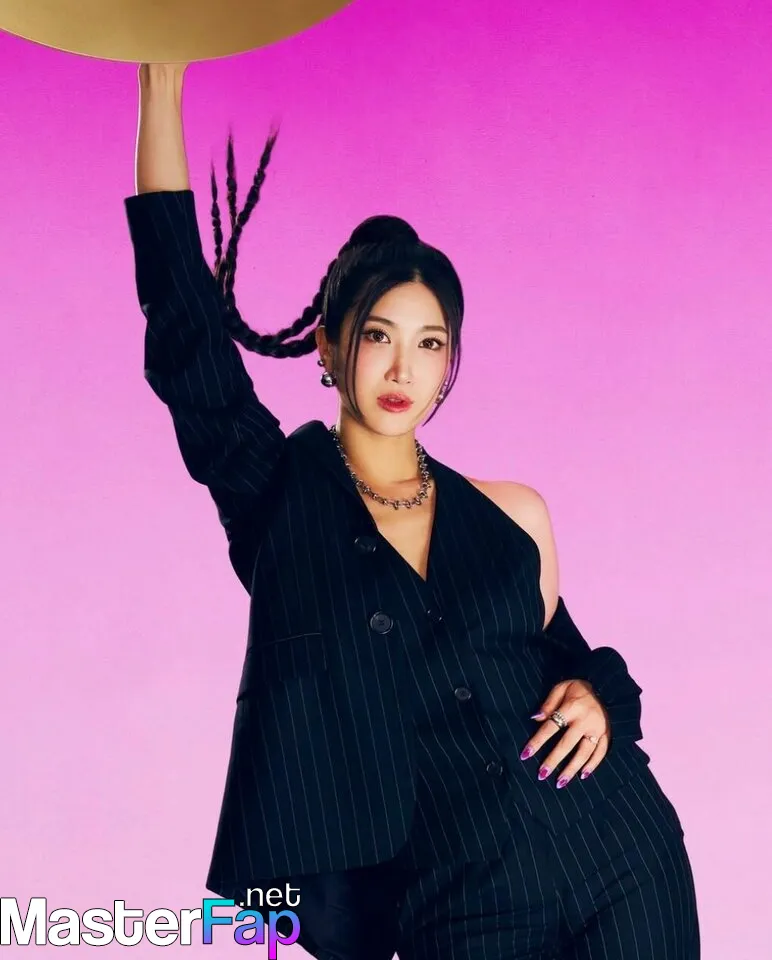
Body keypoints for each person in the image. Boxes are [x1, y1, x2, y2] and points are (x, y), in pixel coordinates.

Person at [124, 62, 699, 960]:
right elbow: (185, 334)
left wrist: (598, 696)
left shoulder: (513, 515)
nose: (403, 369)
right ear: (328, 346)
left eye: (429, 343)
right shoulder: (282, 505)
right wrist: (160, 82)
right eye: (378, 337)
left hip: (620, 852)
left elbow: (572, 662)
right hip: (458, 903)